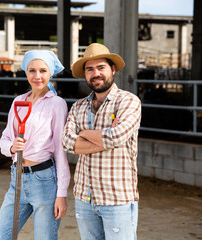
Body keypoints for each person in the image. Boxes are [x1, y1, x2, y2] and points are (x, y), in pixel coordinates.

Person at [62, 43, 141, 240]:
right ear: (85, 75)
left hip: (116, 198)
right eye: (90, 69)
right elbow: (67, 142)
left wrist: (84, 133)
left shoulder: (128, 101)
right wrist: (102, 138)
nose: (95, 73)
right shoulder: (78, 106)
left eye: (101, 67)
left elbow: (116, 136)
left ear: (112, 69)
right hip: (84, 198)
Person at [0, 50, 70, 240]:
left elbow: (60, 152)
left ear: (50, 72)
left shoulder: (57, 104)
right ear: (26, 72)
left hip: (44, 181)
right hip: (16, 178)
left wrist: (61, 194)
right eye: (32, 70)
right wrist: (11, 147)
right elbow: (4, 138)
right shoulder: (18, 102)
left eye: (43, 70)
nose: (37, 76)